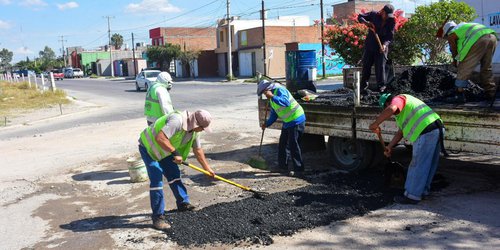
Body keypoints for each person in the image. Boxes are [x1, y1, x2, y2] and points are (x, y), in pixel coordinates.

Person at [138, 109, 215, 230]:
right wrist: (175, 152)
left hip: (165, 150)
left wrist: (207, 168)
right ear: (196, 124)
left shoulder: (194, 132)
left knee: (174, 174)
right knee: (157, 179)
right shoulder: (177, 121)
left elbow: (198, 150)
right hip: (149, 147)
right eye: (202, 128)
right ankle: (158, 217)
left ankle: (183, 203)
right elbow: (160, 138)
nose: (202, 131)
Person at [369, 93, 445, 205]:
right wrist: (389, 147)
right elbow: (400, 133)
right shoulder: (405, 110)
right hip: (437, 129)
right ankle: (422, 191)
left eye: (384, 108)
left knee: (417, 164)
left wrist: (375, 124)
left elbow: (391, 108)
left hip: (426, 132)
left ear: (386, 103)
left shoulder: (398, 99)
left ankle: (412, 196)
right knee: (428, 164)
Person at [438, 21, 498, 103]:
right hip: (492, 37)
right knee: (486, 67)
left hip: (479, 39)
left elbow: (453, 48)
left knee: (463, 67)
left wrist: (455, 61)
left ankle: (459, 94)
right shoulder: (463, 27)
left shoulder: (452, 33)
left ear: (447, 32)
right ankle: (490, 93)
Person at [257, 80, 306, 177]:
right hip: (288, 122)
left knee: (293, 145)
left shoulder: (280, 90)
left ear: (268, 89)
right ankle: (282, 167)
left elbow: (286, 102)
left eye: (264, 92)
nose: (264, 95)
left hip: (296, 120)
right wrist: (266, 124)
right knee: (282, 144)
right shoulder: (272, 100)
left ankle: (299, 169)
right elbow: (274, 116)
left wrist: (272, 96)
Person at [358, 4, 396, 93]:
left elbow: (390, 36)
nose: (387, 17)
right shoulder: (373, 15)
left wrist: (385, 45)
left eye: (389, 15)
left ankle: (381, 87)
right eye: (386, 14)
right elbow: (360, 17)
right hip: (370, 46)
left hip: (381, 47)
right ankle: (363, 87)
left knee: (380, 67)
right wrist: (366, 22)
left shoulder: (391, 21)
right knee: (366, 66)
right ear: (383, 12)